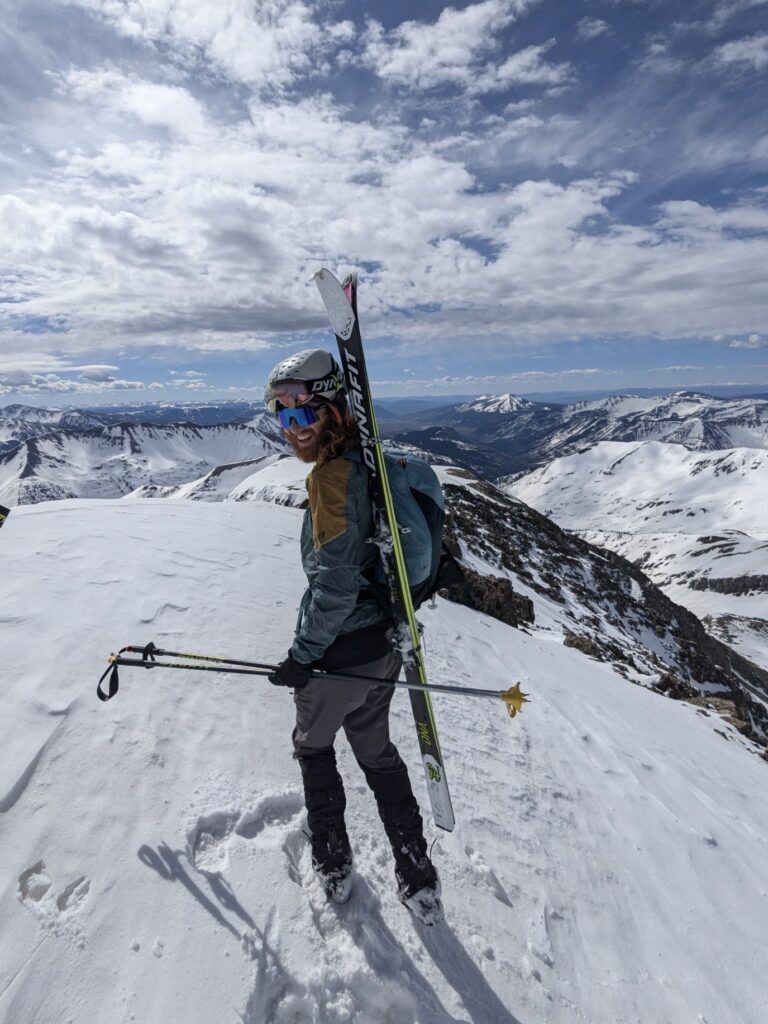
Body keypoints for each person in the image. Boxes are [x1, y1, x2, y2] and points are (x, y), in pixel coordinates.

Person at [265, 348, 440, 918]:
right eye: (282, 416)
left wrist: (302, 656)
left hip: (336, 656)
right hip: (382, 649)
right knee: (377, 752)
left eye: (303, 412)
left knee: (312, 748)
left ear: (336, 409)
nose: (293, 428)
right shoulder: (369, 464)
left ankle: (333, 861)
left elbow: (335, 587)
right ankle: (416, 871)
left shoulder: (333, 478)